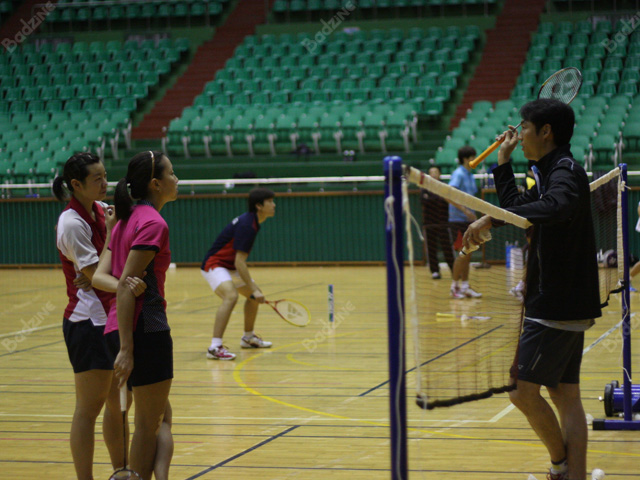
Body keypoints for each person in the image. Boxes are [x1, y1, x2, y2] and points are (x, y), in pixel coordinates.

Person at [462, 98, 601, 480]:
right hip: (564, 300)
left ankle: (560, 466)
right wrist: (503, 161)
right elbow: (514, 208)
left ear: (546, 131)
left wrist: (489, 219)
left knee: (520, 391)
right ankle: (572, 474)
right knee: (565, 395)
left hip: (556, 302)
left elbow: (556, 206)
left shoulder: (565, 171)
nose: (519, 134)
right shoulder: (548, 172)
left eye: (524, 128)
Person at [54, 152, 145, 480]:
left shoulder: (101, 210)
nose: (105, 183)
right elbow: (98, 277)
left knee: (119, 403)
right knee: (88, 408)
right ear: (76, 185)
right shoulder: (72, 223)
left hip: (111, 318)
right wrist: (119, 278)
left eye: (106, 176)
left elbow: (110, 263)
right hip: (87, 322)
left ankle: (121, 471)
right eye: (97, 179)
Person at [93, 151, 178, 480]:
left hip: (118, 327)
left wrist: (124, 344)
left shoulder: (125, 221)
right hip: (145, 328)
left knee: (160, 418)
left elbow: (107, 279)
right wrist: (128, 350)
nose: (176, 180)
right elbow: (128, 286)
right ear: (156, 183)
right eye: (172, 174)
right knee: (148, 425)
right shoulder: (153, 223)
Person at [201, 187, 276, 360]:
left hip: (229, 266)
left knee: (253, 297)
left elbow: (237, 263)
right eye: (270, 202)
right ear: (258, 206)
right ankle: (214, 347)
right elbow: (239, 262)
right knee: (231, 296)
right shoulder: (247, 225)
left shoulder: (253, 222)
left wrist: (254, 290)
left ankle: (248, 338)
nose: (274, 205)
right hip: (215, 264)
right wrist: (253, 288)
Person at [448, 146, 482, 298]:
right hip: (457, 220)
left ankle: (465, 286)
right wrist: (465, 211)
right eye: (472, 158)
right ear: (465, 159)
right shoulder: (459, 174)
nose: (475, 160)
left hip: (468, 221)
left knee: (468, 253)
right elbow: (449, 195)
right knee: (462, 254)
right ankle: (454, 287)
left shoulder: (470, 175)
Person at [420, 165, 454, 279]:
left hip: (443, 222)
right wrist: (438, 198)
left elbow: (446, 201)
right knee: (431, 249)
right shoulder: (424, 187)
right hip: (429, 223)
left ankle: (454, 270)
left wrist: (431, 198)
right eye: (431, 172)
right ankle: (435, 271)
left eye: (436, 172)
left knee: (447, 248)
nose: (434, 174)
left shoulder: (445, 187)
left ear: (439, 174)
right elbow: (423, 201)